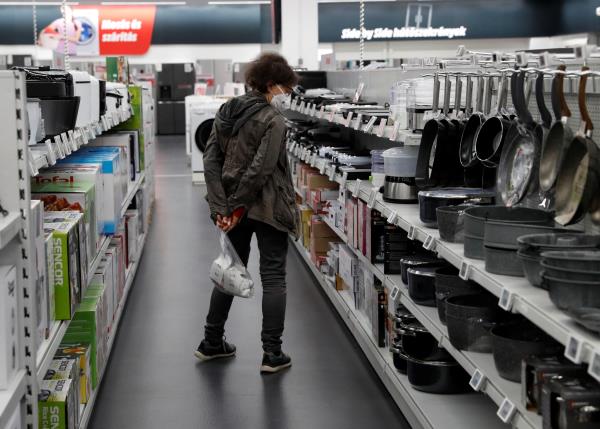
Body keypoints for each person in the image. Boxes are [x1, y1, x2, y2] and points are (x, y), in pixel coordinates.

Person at [196, 53, 299, 373]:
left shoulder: (227, 110)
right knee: (273, 277)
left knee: (229, 270)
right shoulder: (274, 119)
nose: (288, 94)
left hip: (231, 207)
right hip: (267, 208)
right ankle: (272, 353)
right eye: (286, 88)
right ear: (271, 85)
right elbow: (262, 169)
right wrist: (238, 205)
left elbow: (210, 161)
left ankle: (212, 341)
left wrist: (221, 207)